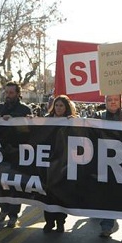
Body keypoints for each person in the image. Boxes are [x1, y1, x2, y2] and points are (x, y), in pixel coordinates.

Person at [93, 94, 122, 237]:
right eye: (109, 100)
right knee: (108, 194)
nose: (113, 102)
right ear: (105, 102)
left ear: (121, 101)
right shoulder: (97, 116)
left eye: (116, 100)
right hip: (106, 163)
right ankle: (106, 226)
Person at [0, 81, 33, 228]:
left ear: (18, 94)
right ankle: (3, 209)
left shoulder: (24, 109)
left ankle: (13, 215)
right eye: (6, 93)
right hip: (0, 152)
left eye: (11, 93)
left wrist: (14, 120)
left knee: (14, 185)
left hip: (17, 153)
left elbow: (29, 132)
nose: (8, 96)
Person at [42, 95, 77, 233]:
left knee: (61, 193)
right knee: (48, 193)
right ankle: (49, 221)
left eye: (61, 106)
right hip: (48, 161)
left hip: (64, 161)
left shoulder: (72, 120)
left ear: (66, 107)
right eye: (56, 105)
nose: (58, 108)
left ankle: (60, 221)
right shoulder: (47, 120)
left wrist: (75, 123)